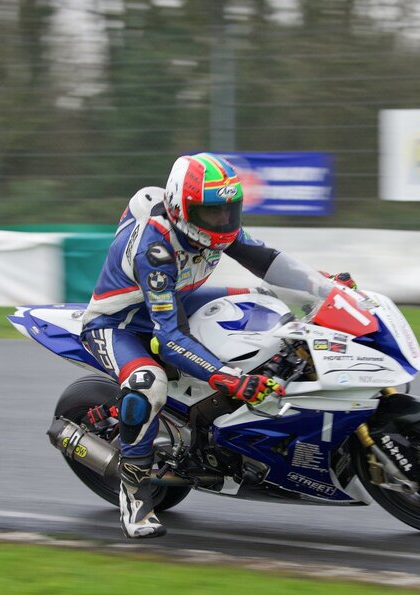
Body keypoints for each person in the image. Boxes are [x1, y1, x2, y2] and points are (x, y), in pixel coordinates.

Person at [80, 152, 352, 539]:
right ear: (180, 208)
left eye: (229, 210)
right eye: (212, 213)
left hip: (178, 298)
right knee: (146, 381)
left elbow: (267, 262)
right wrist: (231, 379)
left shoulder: (210, 225)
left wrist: (323, 287)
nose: (223, 221)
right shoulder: (155, 251)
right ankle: (134, 494)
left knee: (264, 300)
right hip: (120, 322)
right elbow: (170, 337)